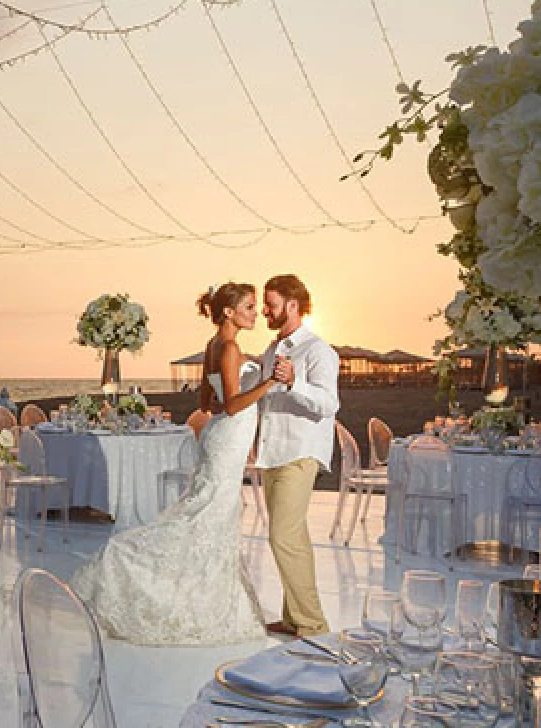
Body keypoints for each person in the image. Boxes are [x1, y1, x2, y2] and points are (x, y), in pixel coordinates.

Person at [68, 283, 275, 644]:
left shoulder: (215, 346)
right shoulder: (228, 347)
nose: (255, 313)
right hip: (228, 437)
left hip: (225, 438)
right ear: (228, 312)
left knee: (208, 512)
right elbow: (229, 405)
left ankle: (203, 594)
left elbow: (206, 400)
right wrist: (269, 382)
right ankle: (126, 564)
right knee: (207, 514)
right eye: (249, 306)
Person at [253, 274, 341, 637]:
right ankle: (293, 618)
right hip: (274, 453)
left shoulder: (318, 351)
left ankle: (313, 625)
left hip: (300, 453)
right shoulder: (271, 351)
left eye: (270, 305)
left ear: (292, 305)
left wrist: (294, 382)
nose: (264, 311)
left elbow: (329, 404)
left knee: (282, 537)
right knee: (294, 538)